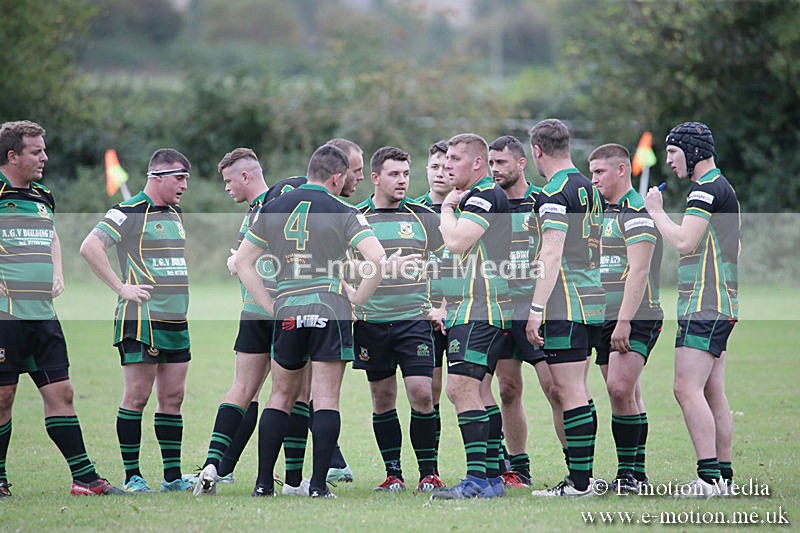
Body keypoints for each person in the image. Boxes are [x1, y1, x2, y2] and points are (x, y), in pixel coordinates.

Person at [228, 144, 385, 498]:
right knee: (325, 397)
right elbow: (378, 257)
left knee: (280, 394)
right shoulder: (343, 209)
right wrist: (359, 297)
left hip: (288, 306)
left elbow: (242, 262)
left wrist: (270, 303)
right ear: (337, 176)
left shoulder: (274, 205)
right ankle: (316, 486)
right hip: (330, 305)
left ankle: (263, 483)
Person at [0, 120, 122, 497]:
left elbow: (50, 233)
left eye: (43, 149)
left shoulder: (42, 195)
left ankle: (84, 478)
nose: (44, 157)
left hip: (41, 313)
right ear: (12, 155)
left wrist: (58, 270)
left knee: (62, 392)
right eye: (36, 151)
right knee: (3, 397)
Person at [80, 148, 194, 493]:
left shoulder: (174, 213)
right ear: (157, 177)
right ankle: (133, 476)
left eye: (186, 178)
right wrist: (121, 287)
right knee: (137, 397)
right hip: (142, 320)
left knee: (173, 397)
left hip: (176, 319)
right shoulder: (126, 211)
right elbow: (90, 247)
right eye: (179, 178)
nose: (185, 185)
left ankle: (172, 478)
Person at [644, 122, 738, 497]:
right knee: (712, 391)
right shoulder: (723, 186)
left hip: (706, 303)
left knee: (685, 388)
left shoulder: (705, 190)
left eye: (673, 152)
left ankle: (708, 478)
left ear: (693, 151)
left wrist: (656, 212)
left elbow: (684, 242)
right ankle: (723, 478)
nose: (668, 160)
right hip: (718, 301)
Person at [353, 146, 444, 492]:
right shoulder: (356, 216)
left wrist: (443, 305)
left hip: (413, 321)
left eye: (406, 174)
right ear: (375, 177)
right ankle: (394, 474)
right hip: (371, 322)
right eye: (394, 174)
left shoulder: (423, 217)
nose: (402, 180)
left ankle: (429, 473)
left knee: (422, 393)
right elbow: (341, 266)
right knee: (382, 398)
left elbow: (449, 264)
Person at [525, 119, 605, 497]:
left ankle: (580, 482)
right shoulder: (590, 187)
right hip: (593, 298)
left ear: (537, 151)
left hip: (566, 301)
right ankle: (583, 478)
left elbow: (552, 251)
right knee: (579, 390)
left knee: (569, 390)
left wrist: (537, 307)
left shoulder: (554, 192)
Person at [431, 133, 512, 500]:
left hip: (483, 307)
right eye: (445, 159)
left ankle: (479, 480)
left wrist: (446, 209)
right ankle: (492, 478)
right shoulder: (476, 198)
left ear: (477, 163)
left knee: (460, 387)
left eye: (455, 159)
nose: (448, 165)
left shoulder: (483, 196)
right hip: (471, 305)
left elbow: (457, 242)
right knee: (478, 390)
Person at [192, 148, 276, 494]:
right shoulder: (256, 211)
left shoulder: (276, 203)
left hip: (270, 308)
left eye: (229, 181)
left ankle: (218, 466)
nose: (226, 188)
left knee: (261, 391)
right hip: (262, 310)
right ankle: (220, 466)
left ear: (246, 176)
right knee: (275, 393)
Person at [487, 135, 566, 489]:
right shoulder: (487, 204)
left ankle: (575, 466)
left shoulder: (541, 200)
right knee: (507, 389)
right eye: (490, 163)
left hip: (539, 306)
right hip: (502, 306)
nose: (494, 170)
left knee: (557, 389)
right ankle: (518, 467)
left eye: (500, 163)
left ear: (521, 163)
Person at [589, 143, 663, 493]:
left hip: (636, 315)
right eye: (591, 173)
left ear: (621, 170)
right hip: (604, 315)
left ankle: (630, 474)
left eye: (600, 172)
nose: (594, 180)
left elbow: (639, 270)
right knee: (624, 392)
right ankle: (636, 474)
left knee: (620, 388)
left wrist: (624, 321)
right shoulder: (602, 212)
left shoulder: (637, 211)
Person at [414, 139, 453, 475]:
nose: (441, 173)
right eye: (434, 167)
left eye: (446, 167)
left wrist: (445, 305)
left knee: (475, 388)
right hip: (424, 315)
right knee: (431, 390)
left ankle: (501, 463)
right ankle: (432, 470)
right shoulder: (412, 210)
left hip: (459, 311)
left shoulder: (469, 207)